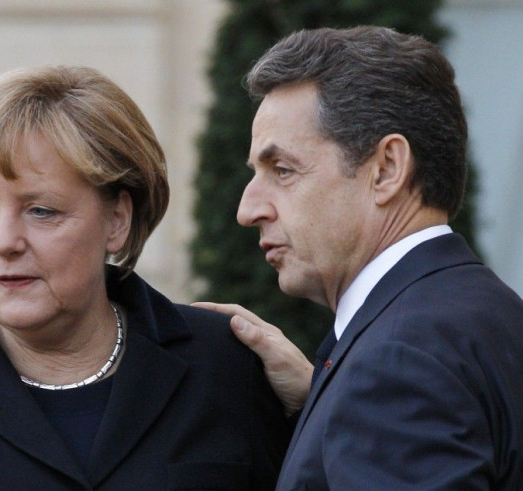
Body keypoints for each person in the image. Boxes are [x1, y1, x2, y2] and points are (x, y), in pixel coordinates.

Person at [0, 66, 290, 489]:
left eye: (41, 211)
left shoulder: (221, 364)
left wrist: (319, 397)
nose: (3, 241)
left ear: (117, 220)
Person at [196, 26, 523, 489]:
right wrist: (325, 398)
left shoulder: (398, 361)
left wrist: (361, 391)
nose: (248, 210)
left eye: (283, 170)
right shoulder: (488, 315)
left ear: (387, 169)